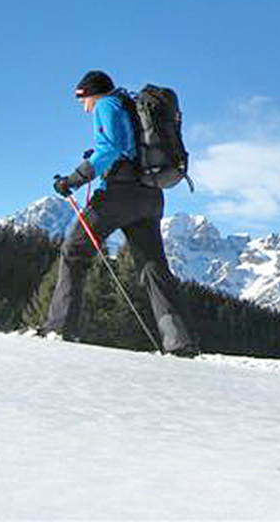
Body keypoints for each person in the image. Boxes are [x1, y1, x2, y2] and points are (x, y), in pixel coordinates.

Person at [43, 70, 198, 356]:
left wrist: (72, 180)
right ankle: (178, 342)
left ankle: (59, 327)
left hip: (119, 195)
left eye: (82, 98)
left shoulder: (106, 105)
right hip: (151, 195)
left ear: (92, 92)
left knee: (74, 250)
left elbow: (110, 149)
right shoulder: (130, 106)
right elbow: (125, 147)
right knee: (153, 267)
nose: (83, 105)